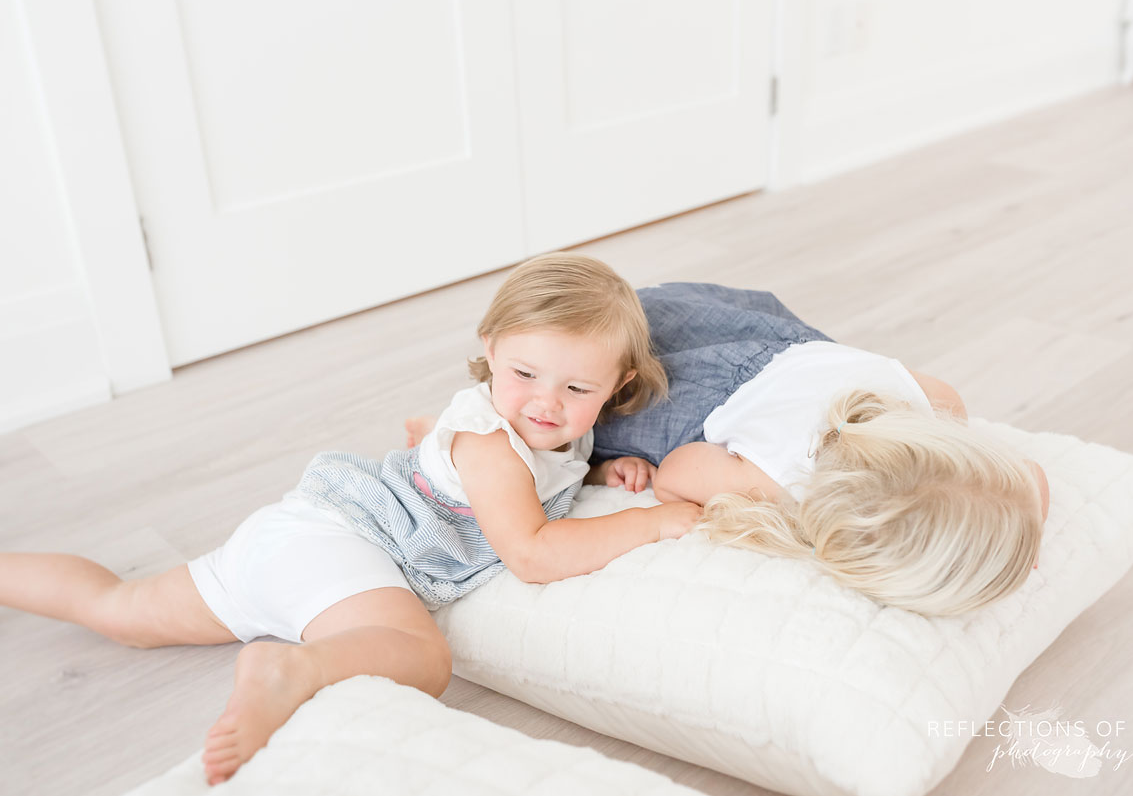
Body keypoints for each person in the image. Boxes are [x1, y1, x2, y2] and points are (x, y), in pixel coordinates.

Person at [0, 254, 699, 786]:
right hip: (342, 546)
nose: (544, 403)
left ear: (619, 388)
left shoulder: (558, 435)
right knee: (424, 657)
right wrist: (649, 523)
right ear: (489, 349)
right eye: (524, 374)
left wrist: (603, 472)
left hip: (295, 535)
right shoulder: (490, 440)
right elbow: (533, 551)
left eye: (576, 388)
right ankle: (290, 667)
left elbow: (542, 466)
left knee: (121, 607)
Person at [587, 282, 1050, 618]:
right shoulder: (778, 482)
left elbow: (1027, 477)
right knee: (595, 415)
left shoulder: (939, 400)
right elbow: (672, 475)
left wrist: (1024, 528)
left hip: (724, 319)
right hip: (671, 375)